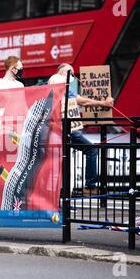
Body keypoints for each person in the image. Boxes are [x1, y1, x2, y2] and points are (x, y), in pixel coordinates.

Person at [49, 63, 114, 195]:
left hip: (61, 130)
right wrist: (103, 103)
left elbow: (81, 100)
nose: (72, 76)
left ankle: (67, 193)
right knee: (91, 149)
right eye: (70, 73)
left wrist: (102, 103)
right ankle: (90, 186)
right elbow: (83, 101)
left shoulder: (60, 87)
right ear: (62, 72)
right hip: (65, 129)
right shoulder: (58, 84)